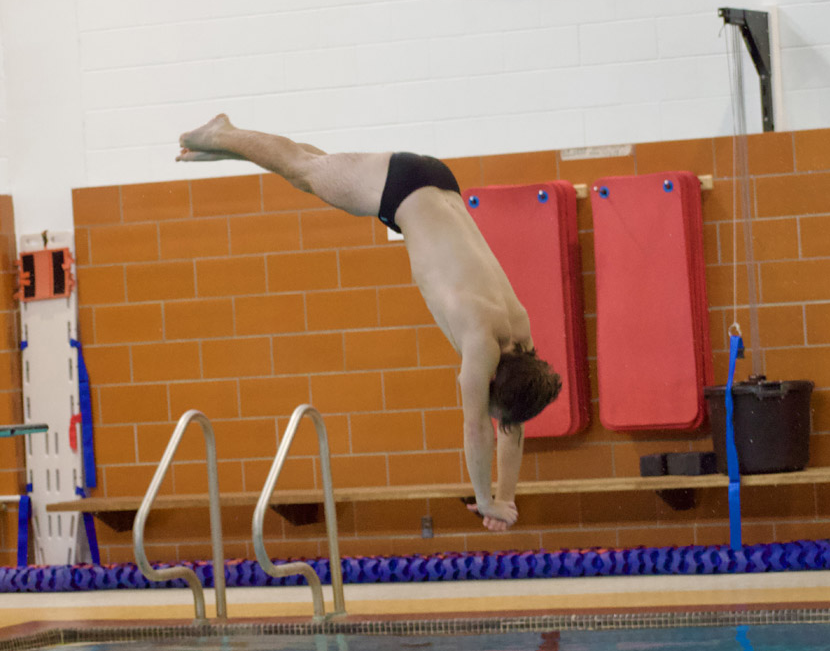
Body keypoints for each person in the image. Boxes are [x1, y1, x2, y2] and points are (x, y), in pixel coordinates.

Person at [177, 114, 562, 531]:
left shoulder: (519, 337)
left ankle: (227, 145)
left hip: (435, 183)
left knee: (312, 167)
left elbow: (511, 427)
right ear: (491, 382)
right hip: (400, 188)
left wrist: (507, 499)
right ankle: (223, 133)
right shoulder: (479, 343)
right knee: (302, 170)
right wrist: (486, 501)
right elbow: (478, 430)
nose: (495, 416)